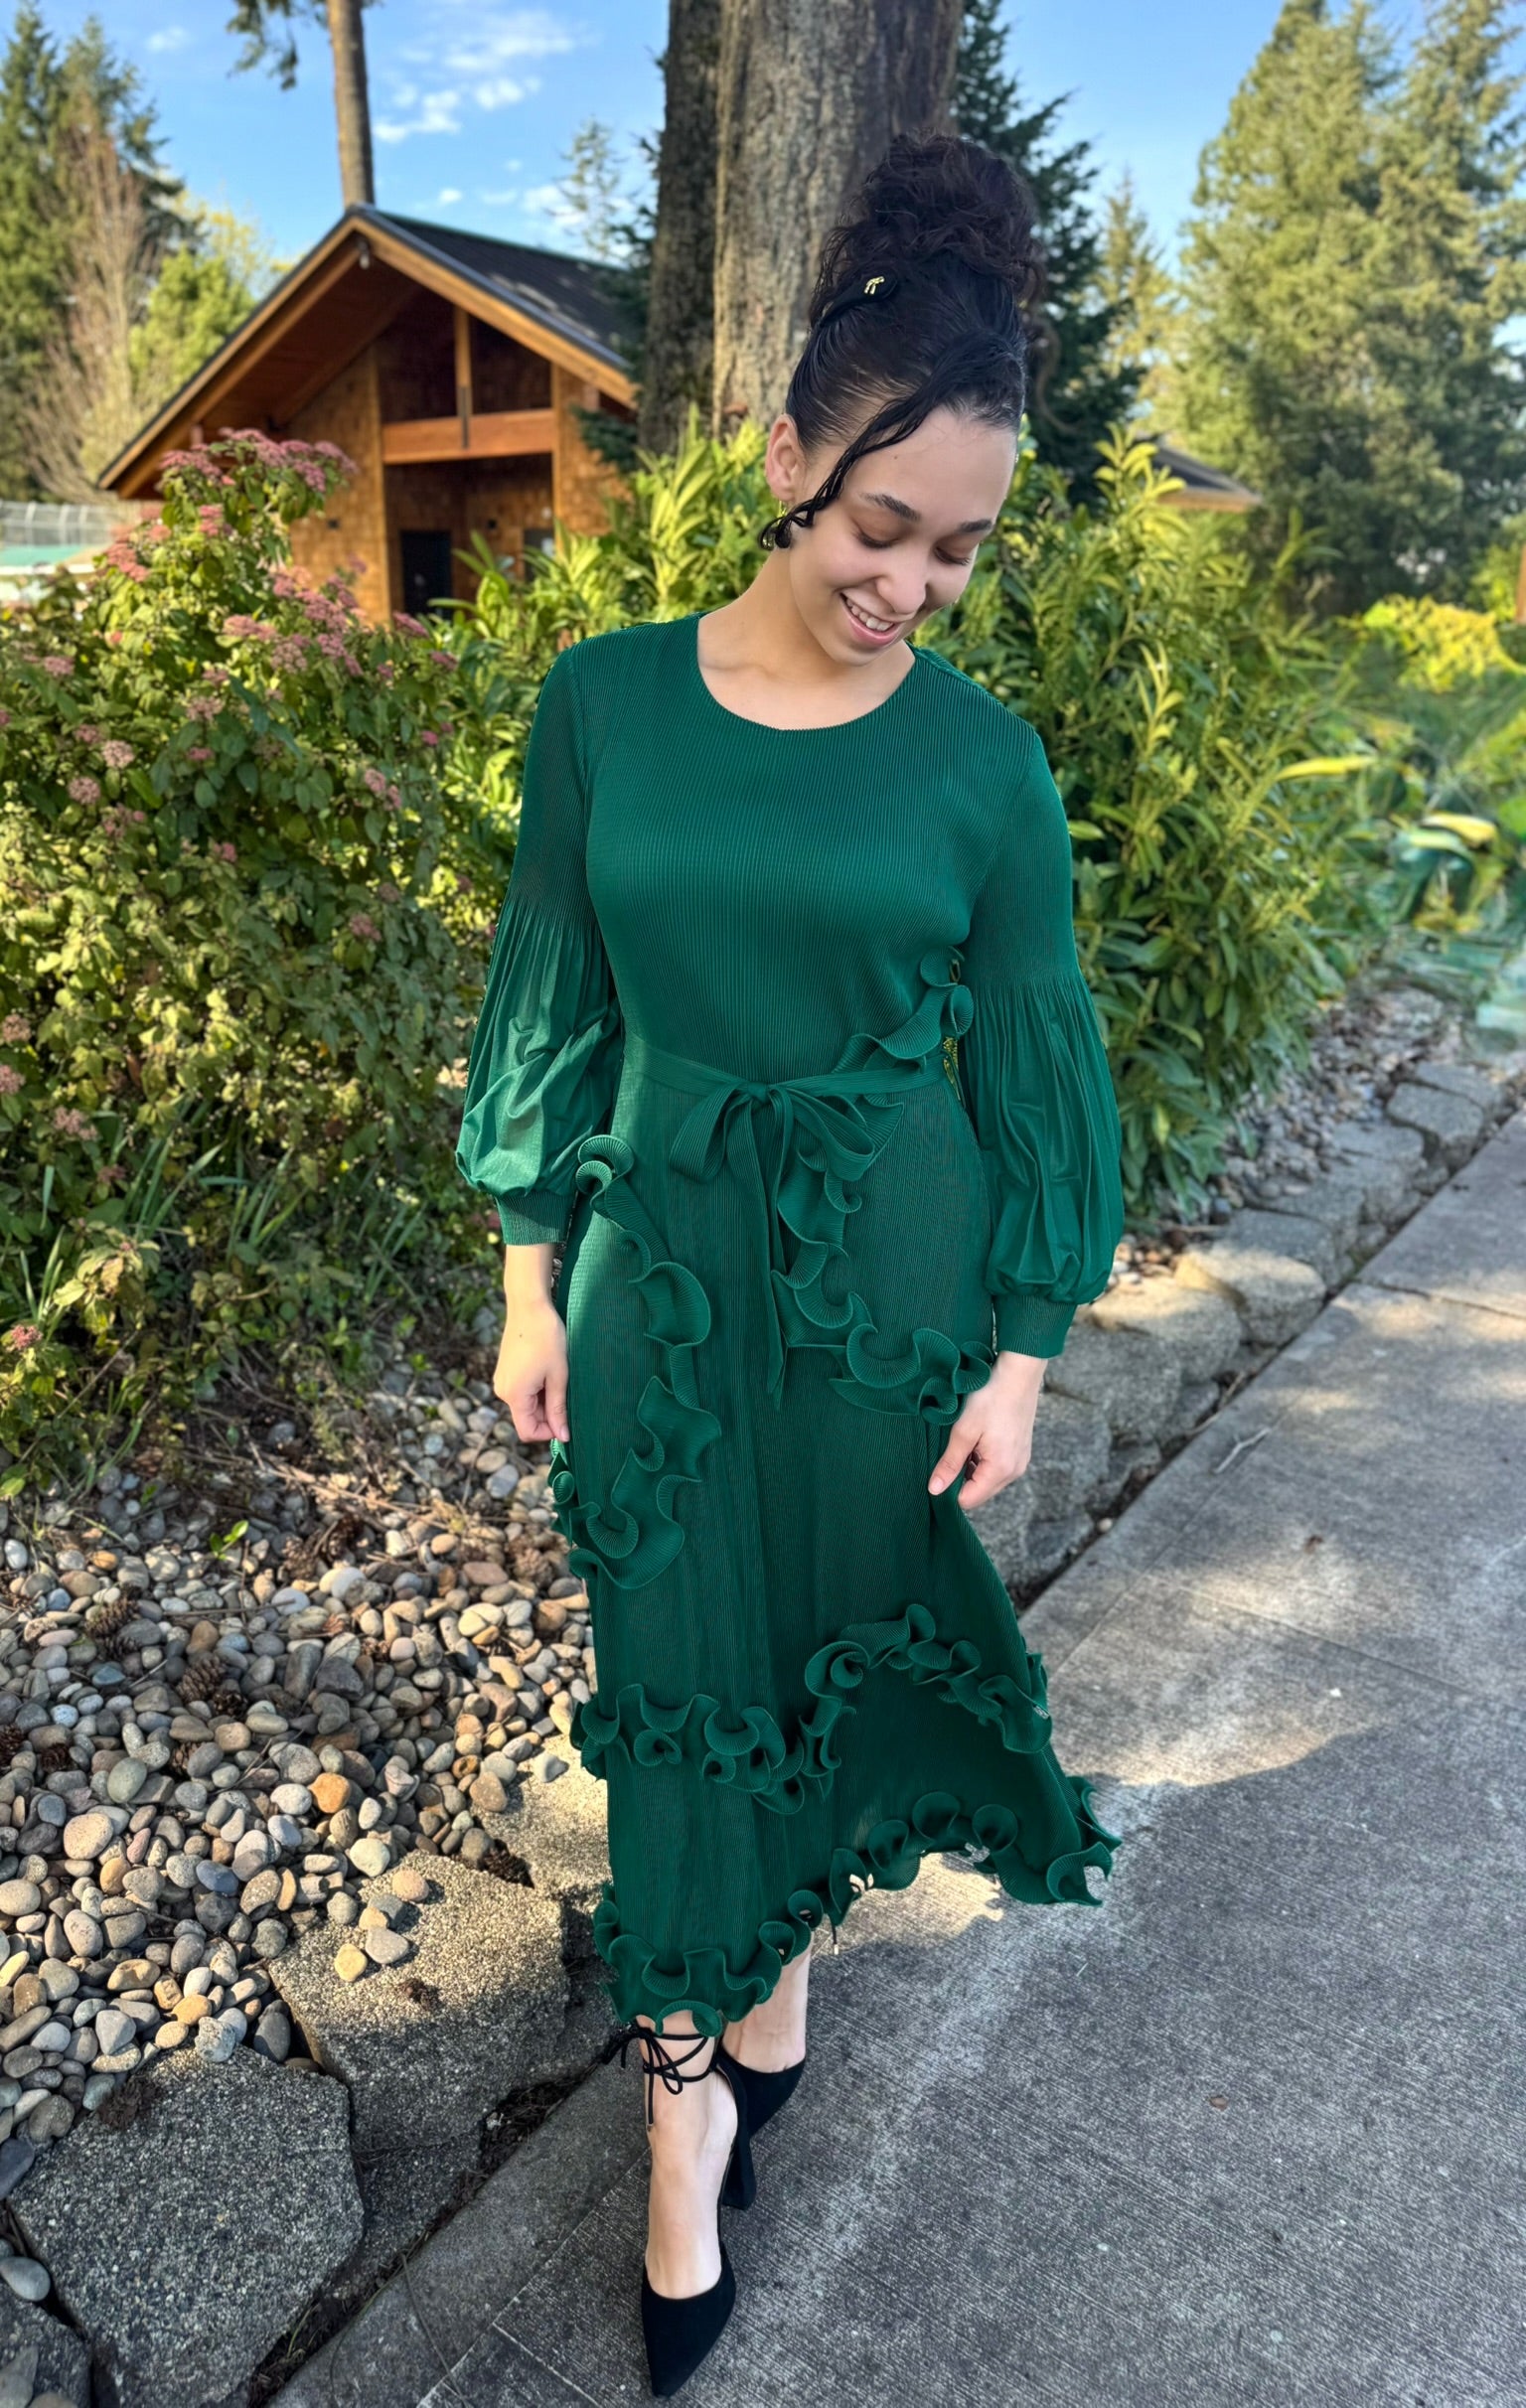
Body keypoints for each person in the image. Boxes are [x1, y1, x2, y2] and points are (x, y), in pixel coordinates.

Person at [455, 129, 1126, 2400]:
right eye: (879, 525)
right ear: (781, 461)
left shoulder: (985, 769)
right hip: (658, 1267)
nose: (912, 583)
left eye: (960, 548)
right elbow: (553, 991)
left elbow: (1037, 1058)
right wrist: (529, 1267)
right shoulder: (603, 704)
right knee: (680, 1687)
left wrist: (1022, 1349)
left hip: (889, 1288)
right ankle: (684, 2124)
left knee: (831, 1658)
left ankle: (778, 1991)